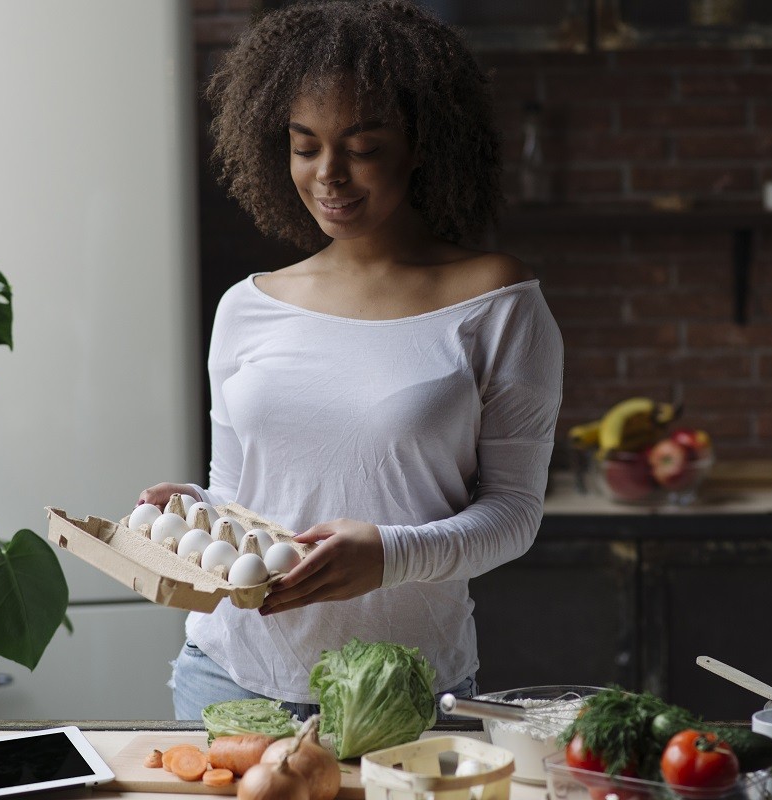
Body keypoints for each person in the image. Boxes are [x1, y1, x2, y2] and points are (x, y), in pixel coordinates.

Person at [139, 0, 564, 721]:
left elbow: (515, 515)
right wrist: (195, 517)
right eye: (305, 146)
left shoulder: (497, 301)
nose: (329, 175)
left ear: (419, 144)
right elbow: (240, 493)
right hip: (229, 676)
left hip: (403, 691)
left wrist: (389, 555)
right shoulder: (248, 306)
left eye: (363, 148)